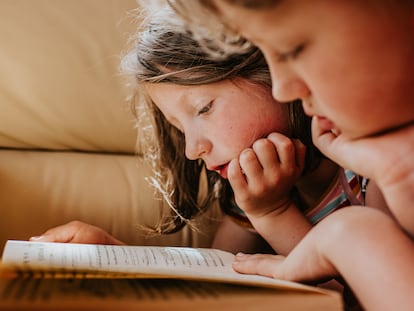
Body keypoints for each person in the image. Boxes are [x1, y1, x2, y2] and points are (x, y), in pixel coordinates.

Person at [166, 0, 414, 310]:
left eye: (292, 51)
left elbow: (355, 300)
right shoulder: (246, 191)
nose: (282, 87)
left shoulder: (375, 170)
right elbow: (212, 284)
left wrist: (275, 214)